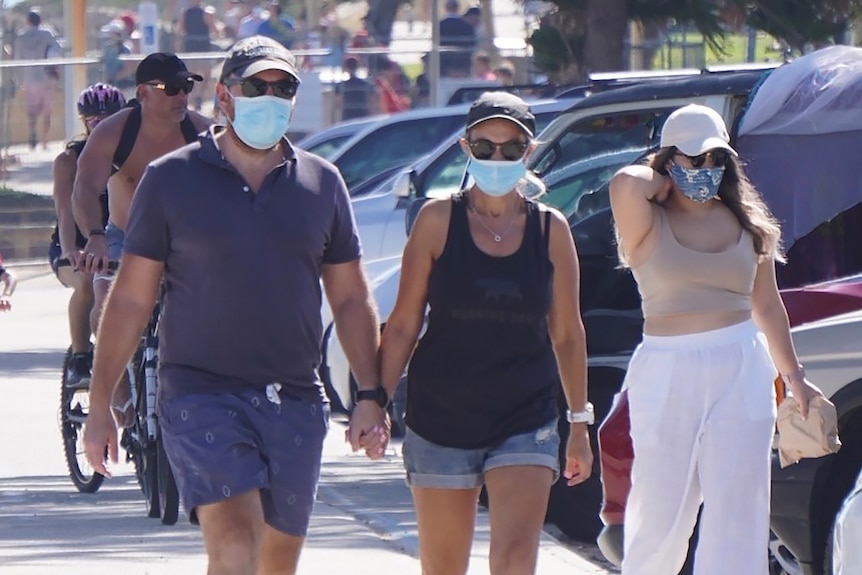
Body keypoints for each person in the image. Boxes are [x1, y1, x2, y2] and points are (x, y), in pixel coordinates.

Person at [83, 35, 383, 573]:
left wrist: (370, 394)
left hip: (295, 397)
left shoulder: (322, 184)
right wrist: (102, 401)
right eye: (256, 86)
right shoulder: (170, 179)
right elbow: (130, 297)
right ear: (224, 97)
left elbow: (351, 298)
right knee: (235, 542)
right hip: (200, 392)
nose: (270, 96)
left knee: (275, 561)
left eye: (282, 86)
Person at [353, 91, 593, 574]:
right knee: (444, 566)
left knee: (514, 558)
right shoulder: (437, 221)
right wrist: (372, 400)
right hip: (441, 413)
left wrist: (580, 425)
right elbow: (403, 323)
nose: (497, 159)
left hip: (527, 414)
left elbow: (567, 333)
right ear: (466, 148)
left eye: (511, 149)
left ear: (529, 152)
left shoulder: (552, 230)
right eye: (485, 148)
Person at [607, 103, 825, 575]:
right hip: (668, 366)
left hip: (742, 362)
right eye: (692, 158)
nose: (705, 169)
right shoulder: (647, 219)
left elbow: (767, 306)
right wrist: (660, 177)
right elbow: (624, 183)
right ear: (666, 160)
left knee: (739, 508)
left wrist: (796, 379)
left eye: (714, 159)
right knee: (660, 506)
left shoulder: (748, 223)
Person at [72, 53, 211, 424]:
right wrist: (95, 237)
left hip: (181, 242)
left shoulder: (201, 134)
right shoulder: (115, 132)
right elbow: (84, 189)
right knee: (104, 298)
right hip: (123, 236)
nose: (182, 95)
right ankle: (117, 396)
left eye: (187, 86)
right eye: (171, 88)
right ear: (144, 93)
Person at [51, 83, 126, 388]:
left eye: (107, 116)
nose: (99, 122)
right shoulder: (68, 160)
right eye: (92, 117)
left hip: (116, 242)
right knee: (85, 281)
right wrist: (72, 251)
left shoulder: (131, 152)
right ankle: (81, 357)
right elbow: (65, 212)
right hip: (75, 244)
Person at [13, 9, 61, 150]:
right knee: (47, 111)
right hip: (46, 76)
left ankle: (32, 134)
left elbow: (17, 58)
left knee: (31, 110)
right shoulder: (46, 34)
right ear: (40, 21)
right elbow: (57, 49)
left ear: (28, 21)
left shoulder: (20, 36)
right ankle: (45, 141)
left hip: (29, 76)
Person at [175, 0, 217, 111]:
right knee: (199, 75)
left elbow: (179, 31)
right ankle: (195, 99)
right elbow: (215, 30)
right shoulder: (205, 13)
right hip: (199, 48)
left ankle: (196, 98)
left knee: (198, 75)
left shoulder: (187, 13)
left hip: (195, 48)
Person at [439, 0, 475, 77]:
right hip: (463, 63)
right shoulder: (467, 25)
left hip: (445, 63)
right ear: (458, 8)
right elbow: (471, 43)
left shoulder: (440, 25)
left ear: (446, 8)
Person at [334, 56, 373, 121]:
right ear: (357, 67)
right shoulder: (366, 85)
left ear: (346, 68)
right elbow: (371, 102)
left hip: (347, 118)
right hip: (362, 117)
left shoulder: (341, 86)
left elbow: (338, 103)